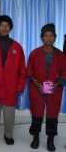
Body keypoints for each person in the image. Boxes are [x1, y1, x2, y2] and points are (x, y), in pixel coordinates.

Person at [0, 15, 26, 145]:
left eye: (7, 26)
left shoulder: (17, 47)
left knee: (9, 113)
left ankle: (9, 135)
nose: (4, 28)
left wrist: (20, 85)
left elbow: (22, 69)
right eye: (2, 25)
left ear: (10, 28)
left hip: (10, 86)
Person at [27, 23, 66, 151]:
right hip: (37, 87)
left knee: (52, 115)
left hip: (55, 88)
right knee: (37, 113)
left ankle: (50, 139)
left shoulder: (61, 55)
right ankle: (36, 137)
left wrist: (58, 83)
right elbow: (29, 70)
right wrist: (37, 83)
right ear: (42, 37)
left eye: (51, 36)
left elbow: (64, 71)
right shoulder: (35, 53)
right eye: (46, 36)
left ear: (55, 37)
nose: (48, 38)